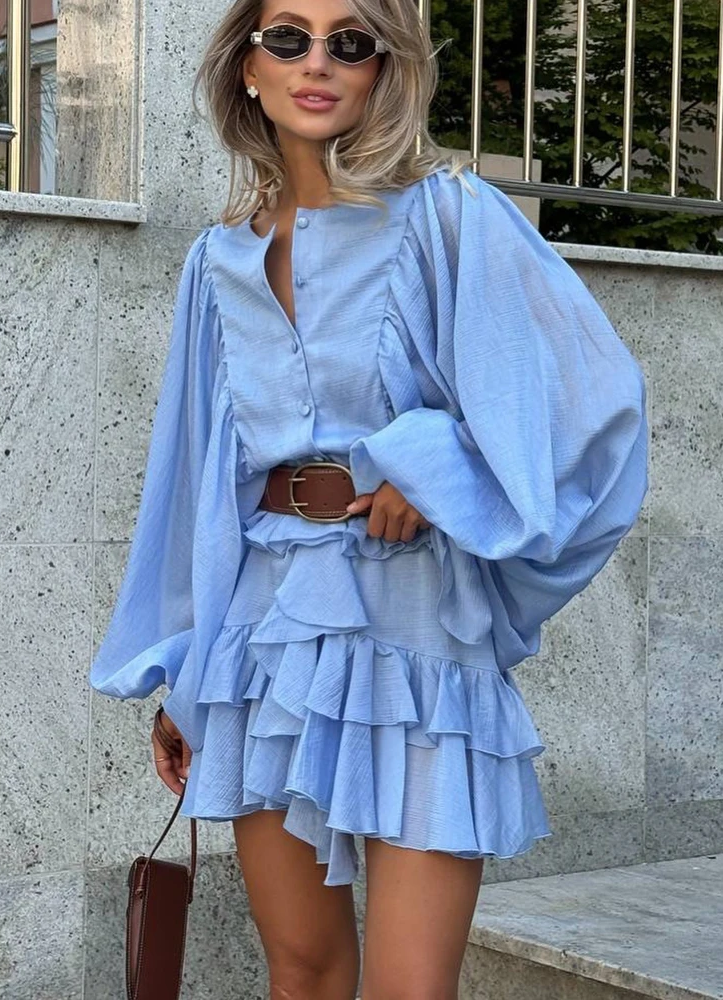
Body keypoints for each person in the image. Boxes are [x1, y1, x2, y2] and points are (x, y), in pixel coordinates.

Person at [89, 0, 649, 997]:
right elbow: (193, 485)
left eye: (350, 42)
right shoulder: (215, 262)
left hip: (416, 632)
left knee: (408, 988)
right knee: (300, 971)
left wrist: (436, 471)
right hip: (264, 640)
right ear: (247, 65)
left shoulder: (449, 217)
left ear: (384, 70)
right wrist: (186, 666)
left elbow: (592, 408)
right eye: (288, 38)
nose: (318, 62)